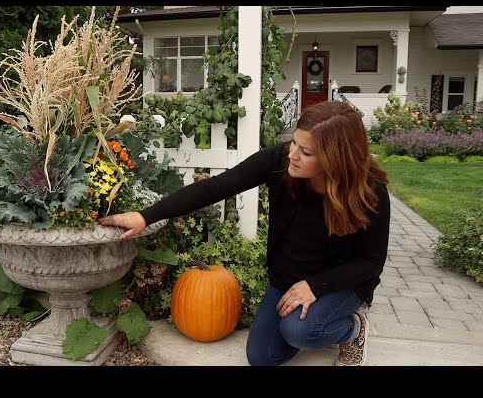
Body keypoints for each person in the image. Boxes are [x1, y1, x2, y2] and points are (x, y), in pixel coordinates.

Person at [98, 101, 390, 366]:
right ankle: (314, 326)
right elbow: (217, 187)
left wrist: (315, 286)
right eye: (294, 144)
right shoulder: (280, 161)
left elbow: (371, 263)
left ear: (334, 159)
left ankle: (351, 328)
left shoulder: (369, 192)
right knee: (262, 358)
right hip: (286, 280)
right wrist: (146, 215)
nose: (293, 155)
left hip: (341, 283)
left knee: (300, 331)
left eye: (306, 152)